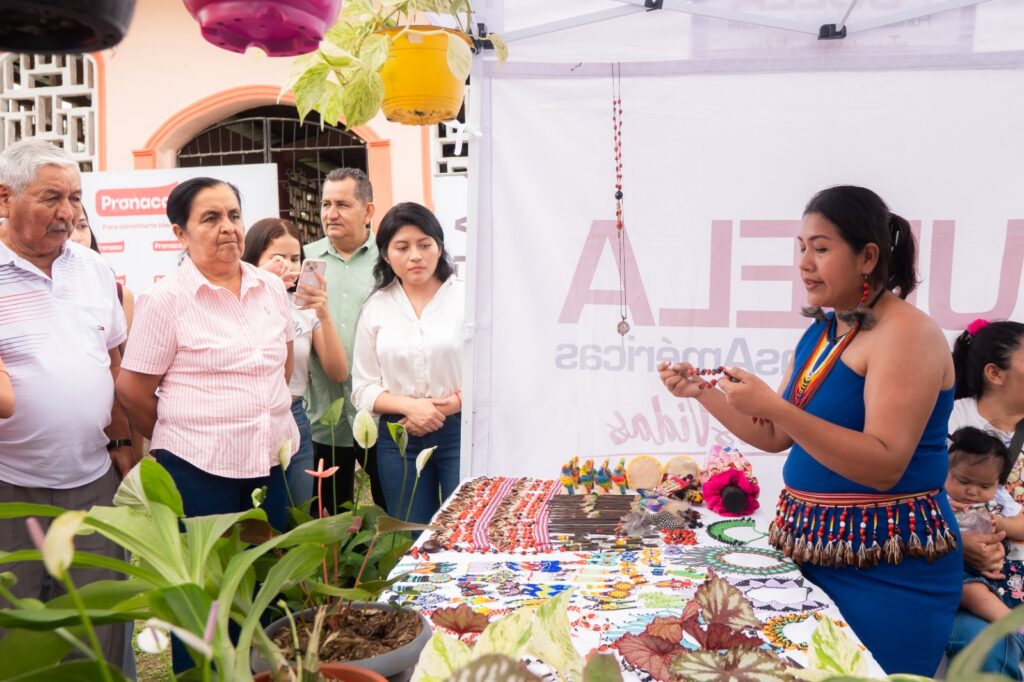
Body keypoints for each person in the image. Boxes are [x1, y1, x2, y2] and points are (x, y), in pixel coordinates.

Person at [659, 185, 960, 675]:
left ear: (868, 257)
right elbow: (775, 435)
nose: (804, 263)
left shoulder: (906, 333)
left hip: (888, 572)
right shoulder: (823, 332)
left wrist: (776, 407)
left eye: (820, 248)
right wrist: (702, 393)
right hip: (811, 555)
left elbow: (885, 464)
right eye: (801, 247)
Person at [0, 138, 135, 665]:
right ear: (5, 198)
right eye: (51, 197)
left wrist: (122, 441)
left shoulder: (93, 269)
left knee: (98, 630)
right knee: (15, 633)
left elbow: (113, 362)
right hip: (10, 486)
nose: (68, 213)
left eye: (75, 198)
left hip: (93, 482)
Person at [116, 177, 299, 534]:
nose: (228, 227)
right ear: (180, 234)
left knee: (268, 562)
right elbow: (131, 391)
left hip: (271, 461)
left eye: (234, 215)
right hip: (197, 469)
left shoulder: (271, 288)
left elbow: (282, 369)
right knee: (208, 567)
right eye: (211, 218)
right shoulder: (165, 299)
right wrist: (184, 433)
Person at [352, 202, 464, 524]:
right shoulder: (376, 307)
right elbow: (362, 388)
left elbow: (489, 374)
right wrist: (411, 408)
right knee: (409, 530)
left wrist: (449, 406)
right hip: (398, 434)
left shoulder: (466, 299)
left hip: (459, 430)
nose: (415, 256)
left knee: (465, 527)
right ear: (386, 255)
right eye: (402, 247)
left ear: (439, 247)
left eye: (424, 244)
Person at [242, 217, 348, 509]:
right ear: (253, 260)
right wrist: (261, 286)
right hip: (249, 419)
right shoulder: (238, 302)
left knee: (300, 512)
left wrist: (323, 313)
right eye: (277, 258)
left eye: (294, 258)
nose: (288, 266)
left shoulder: (304, 307)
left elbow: (338, 371)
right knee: (258, 518)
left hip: (294, 415)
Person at [303, 168, 385, 512]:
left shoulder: (389, 260)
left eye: (342, 204)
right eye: (325, 204)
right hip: (324, 414)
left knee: (392, 510)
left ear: (368, 211)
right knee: (328, 516)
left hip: (378, 412)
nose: (330, 214)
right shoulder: (306, 260)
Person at [947, 319, 1024, 677]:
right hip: (948, 571)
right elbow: (910, 500)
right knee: (989, 644)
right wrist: (960, 541)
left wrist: (1001, 525)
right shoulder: (946, 419)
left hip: (1014, 576)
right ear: (995, 373)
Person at [947, 427, 1024, 628]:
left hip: (1001, 564)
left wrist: (1002, 523)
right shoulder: (941, 499)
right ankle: (1013, 625)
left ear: (997, 482)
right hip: (961, 566)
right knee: (971, 592)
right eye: (964, 481)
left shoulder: (999, 497)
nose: (973, 491)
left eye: (985, 486)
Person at [70, 205, 135, 331]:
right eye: (65, 229)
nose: (76, 238)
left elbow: (121, 344)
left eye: (82, 226)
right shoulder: (36, 294)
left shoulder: (120, 295)